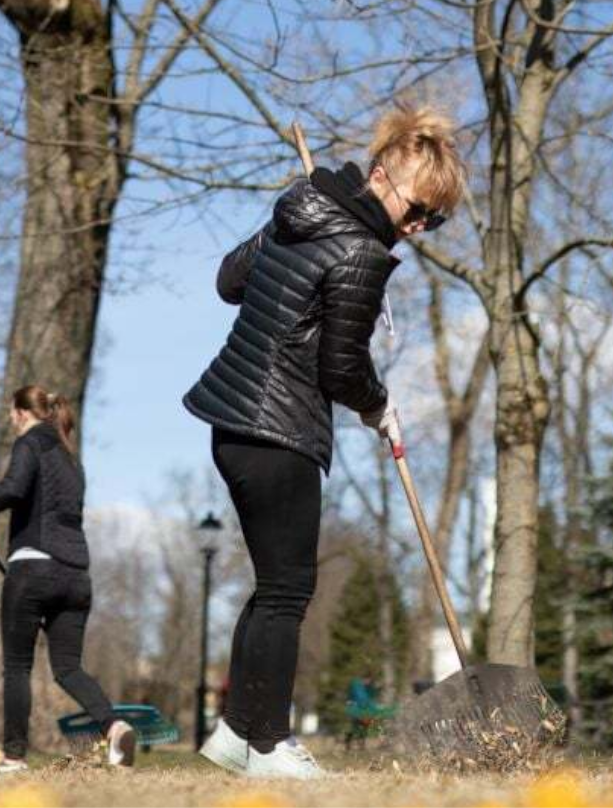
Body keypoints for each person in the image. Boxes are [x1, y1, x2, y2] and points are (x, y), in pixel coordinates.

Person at [183, 106, 465, 779]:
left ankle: (236, 734)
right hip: (279, 427)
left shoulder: (302, 210)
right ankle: (269, 743)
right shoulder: (362, 252)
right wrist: (380, 405)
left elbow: (231, 280)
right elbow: (340, 367)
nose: (419, 226)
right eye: (420, 209)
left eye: (435, 220)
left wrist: (287, 226)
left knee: (271, 586)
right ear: (382, 178)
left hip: (230, 422)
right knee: (288, 590)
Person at [0, 386, 135, 774]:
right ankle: (114, 725)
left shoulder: (29, 443)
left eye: (10, 414)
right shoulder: (71, 459)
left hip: (33, 570)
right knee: (68, 668)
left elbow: (14, 489)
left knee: (17, 667)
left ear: (21, 413)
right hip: (76, 576)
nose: (9, 421)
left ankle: (14, 757)